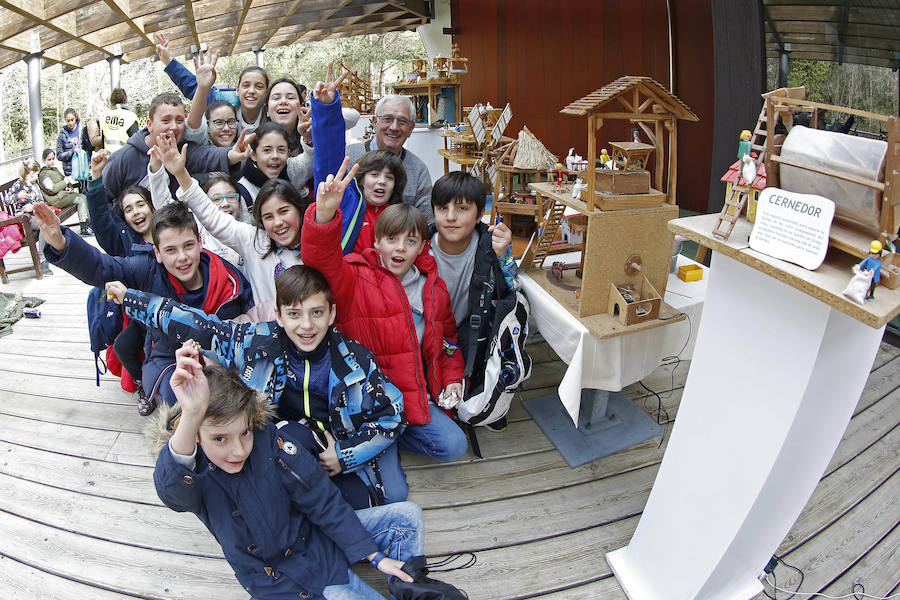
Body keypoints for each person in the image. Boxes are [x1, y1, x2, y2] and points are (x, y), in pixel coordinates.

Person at [108, 264, 408, 505]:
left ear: (331, 313)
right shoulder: (256, 342)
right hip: (283, 443)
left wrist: (344, 455)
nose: (306, 325)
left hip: (340, 442)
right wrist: (132, 299)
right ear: (279, 315)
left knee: (394, 494)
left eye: (316, 313)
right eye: (294, 314)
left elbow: (392, 414)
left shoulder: (355, 360)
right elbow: (199, 325)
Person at [147, 341, 420, 600]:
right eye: (220, 439)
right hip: (287, 580)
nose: (239, 450)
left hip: (316, 541)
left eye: (245, 432)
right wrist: (192, 414)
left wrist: (374, 556)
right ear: (196, 435)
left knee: (407, 517)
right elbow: (172, 494)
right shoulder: (196, 474)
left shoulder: (271, 442)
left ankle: (408, 589)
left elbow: (322, 499)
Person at [302, 158, 468, 463]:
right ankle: (377, 438)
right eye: (391, 239)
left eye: (410, 241)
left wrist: (452, 378)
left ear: (422, 246)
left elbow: (448, 343)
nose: (400, 248)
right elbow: (320, 260)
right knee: (392, 483)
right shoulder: (355, 275)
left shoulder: (433, 287)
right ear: (377, 241)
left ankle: (388, 437)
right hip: (367, 402)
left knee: (454, 445)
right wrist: (324, 215)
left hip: (414, 398)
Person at [35, 199, 254, 415]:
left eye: (188, 245)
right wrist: (62, 243)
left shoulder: (229, 279)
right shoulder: (147, 269)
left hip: (222, 361)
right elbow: (103, 267)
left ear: (199, 242)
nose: (182, 257)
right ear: (157, 253)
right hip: (168, 356)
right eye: (170, 250)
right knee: (181, 402)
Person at [154, 131, 305, 314]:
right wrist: (180, 173)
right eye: (268, 217)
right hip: (263, 329)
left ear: (299, 210)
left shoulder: (314, 247)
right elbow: (211, 215)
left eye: (284, 211)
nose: (278, 222)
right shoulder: (255, 241)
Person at [429, 171, 520, 428]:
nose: (450, 217)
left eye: (462, 208)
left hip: (472, 337)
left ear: (480, 214)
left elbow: (514, 290)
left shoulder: (489, 246)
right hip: (430, 336)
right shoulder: (420, 245)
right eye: (442, 208)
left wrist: (503, 256)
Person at [312, 64, 407, 254]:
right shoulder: (346, 203)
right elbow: (328, 157)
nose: (382, 181)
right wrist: (326, 108)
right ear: (360, 180)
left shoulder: (399, 217)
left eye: (389, 177)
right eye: (374, 174)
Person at [101, 92, 250, 205]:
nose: (173, 127)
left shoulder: (183, 150)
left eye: (179, 120)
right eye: (166, 120)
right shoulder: (122, 159)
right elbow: (105, 201)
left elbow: (207, 155)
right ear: (150, 124)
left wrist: (231, 154)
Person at [156, 33, 268, 136]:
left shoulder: (271, 110)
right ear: (237, 90)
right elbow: (195, 88)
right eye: (246, 85)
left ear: (267, 92)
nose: (251, 91)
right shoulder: (225, 101)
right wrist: (169, 62)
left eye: (259, 87)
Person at [346, 94, 433, 224]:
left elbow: (426, 223)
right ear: (375, 122)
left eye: (402, 121)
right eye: (387, 119)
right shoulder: (348, 158)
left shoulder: (418, 170)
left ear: (411, 129)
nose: (394, 127)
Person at [7, 159, 52, 275]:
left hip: (34, 215)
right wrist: (17, 196)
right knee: (44, 224)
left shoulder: (35, 185)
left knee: (47, 222)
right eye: (36, 174)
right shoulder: (19, 184)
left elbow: (41, 201)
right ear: (31, 173)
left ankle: (49, 252)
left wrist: (33, 206)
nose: (37, 177)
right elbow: (7, 200)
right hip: (23, 219)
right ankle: (43, 259)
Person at [38, 148, 92, 236]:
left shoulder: (54, 170)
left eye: (53, 159)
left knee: (83, 196)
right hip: (56, 199)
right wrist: (66, 182)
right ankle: (84, 227)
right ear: (44, 160)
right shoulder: (43, 174)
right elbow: (52, 189)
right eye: (49, 159)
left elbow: (63, 179)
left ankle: (87, 224)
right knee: (81, 199)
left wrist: (68, 187)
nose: (52, 161)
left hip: (62, 195)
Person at [101, 88, 140, 155]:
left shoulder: (106, 117)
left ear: (111, 101)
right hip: (125, 158)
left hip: (109, 158)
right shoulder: (130, 116)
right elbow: (137, 142)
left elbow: (103, 141)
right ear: (126, 100)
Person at [55, 108, 82, 176]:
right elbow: (59, 155)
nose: (70, 123)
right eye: (68, 121)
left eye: (72, 120)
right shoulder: (62, 134)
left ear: (75, 118)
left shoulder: (81, 131)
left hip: (82, 168)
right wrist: (71, 152)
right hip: (70, 171)